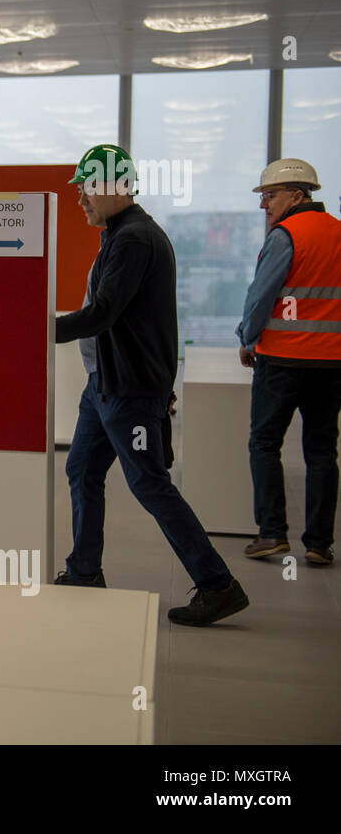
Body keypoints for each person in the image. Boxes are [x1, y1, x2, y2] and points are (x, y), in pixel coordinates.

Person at [54, 143, 249, 627]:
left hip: (128, 389)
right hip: (104, 387)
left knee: (150, 485)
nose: (79, 199)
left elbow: (104, 313)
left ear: (112, 187)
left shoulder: (135, 238)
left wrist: (41, 329)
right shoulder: (121, 234)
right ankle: (84, 571)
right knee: (81, 469)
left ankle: (218, 584)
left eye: (85, 189)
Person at [236, 158, 341, 567]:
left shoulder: (286, 235)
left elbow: (261, 296)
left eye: (270, 195)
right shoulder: (337, 232)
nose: (265, 204)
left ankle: (272, 534)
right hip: (331, 362)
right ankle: (318, 544)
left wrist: (247, 337)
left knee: (264, 443)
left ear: (298, 195)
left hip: (281, 359)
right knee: (321, 451)